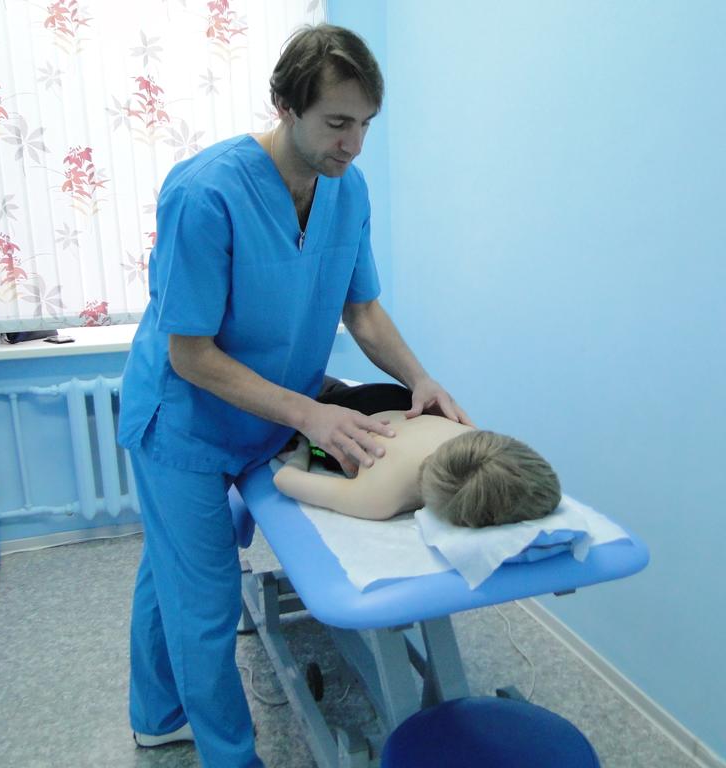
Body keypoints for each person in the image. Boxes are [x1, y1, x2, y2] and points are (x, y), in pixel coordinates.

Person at [116, 25, 470, 768]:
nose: (354, 145)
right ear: (285, 106)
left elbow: (361, 310)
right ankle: (228, 755)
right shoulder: (205, 193)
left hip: (264, 414)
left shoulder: (347, 190)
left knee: (172, 568)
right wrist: (311, 413)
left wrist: (420, 378)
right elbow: (190, 354)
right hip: (183, 421)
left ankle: (154, 714)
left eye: (365, 124)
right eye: (337, 123)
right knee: (205, 599)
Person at [275, 382, 561, 526]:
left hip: (392, 397)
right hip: (343, 422)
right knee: (294, 400)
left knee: (317, 387)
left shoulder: (472, 436)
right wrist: (302, 446)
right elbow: (285, 479)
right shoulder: (379, 497)